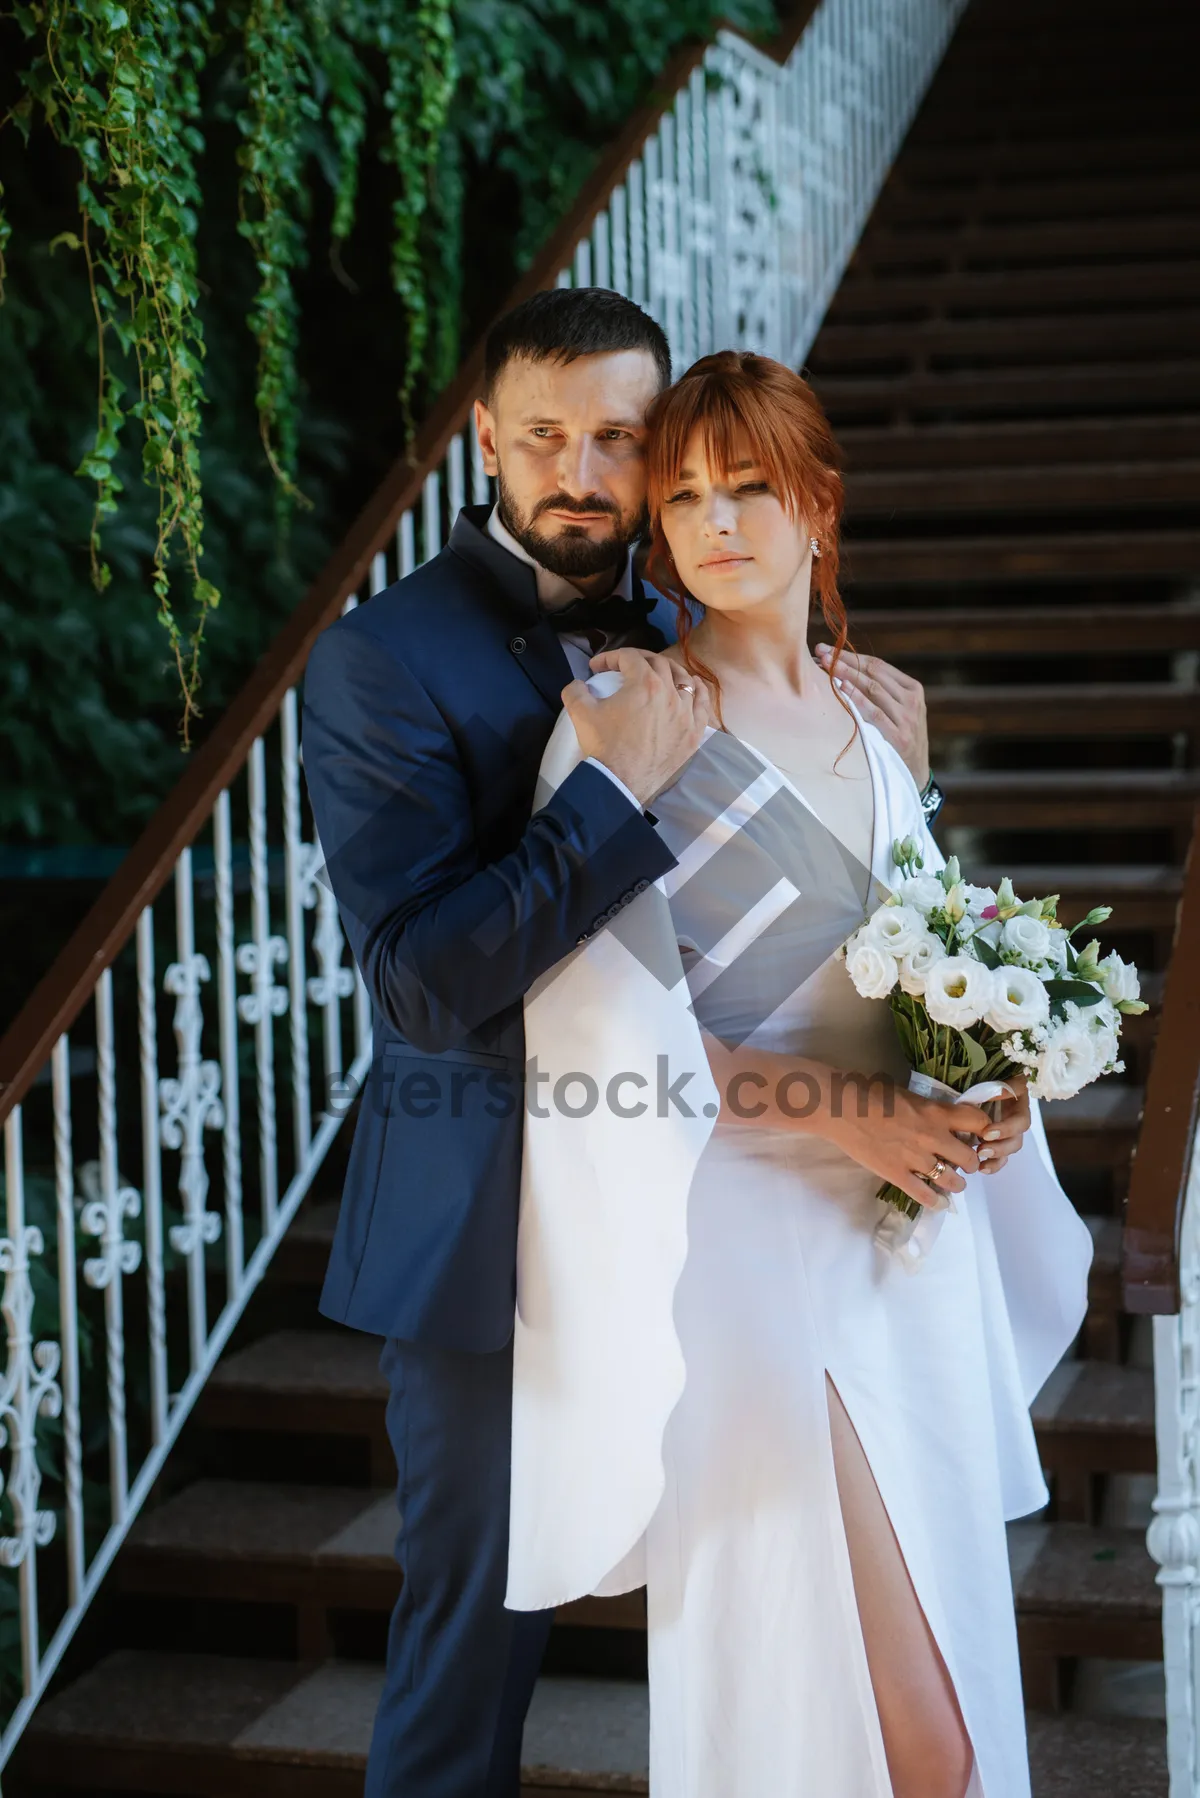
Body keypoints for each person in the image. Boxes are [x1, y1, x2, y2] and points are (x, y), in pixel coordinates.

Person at [301, 290, 937, 1796]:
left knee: (764, 1622)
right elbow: (419, 981)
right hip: (495, 1243)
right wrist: (606, 804)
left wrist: (893, 776)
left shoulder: (694, 622)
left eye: (618, 438)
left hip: (717, 1212)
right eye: (544, 436)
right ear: (486, 441)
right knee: (475, 1648)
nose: (581, 470)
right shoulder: (382, 660)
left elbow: (782, 927)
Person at [505, 351, 1095, 1798]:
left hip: (907, 1258)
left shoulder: (880, 719)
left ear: (819, 504)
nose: (715, 522)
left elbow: (921, 963)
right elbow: (603, 1031)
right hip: (750, 1255)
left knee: (949, 1700)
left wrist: (989, 1083)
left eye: (752, 486)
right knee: (896, 1739)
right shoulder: (627, 717)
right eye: (687, 493)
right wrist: (854, 1113)